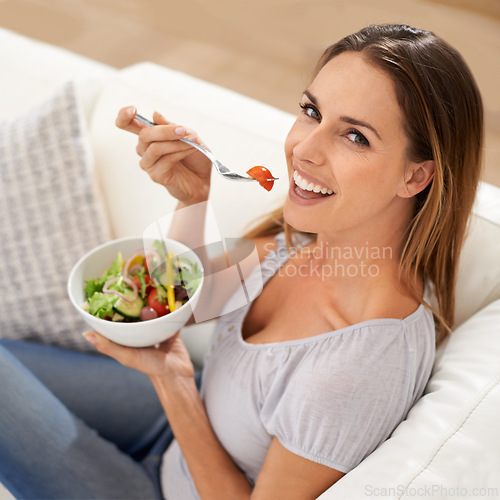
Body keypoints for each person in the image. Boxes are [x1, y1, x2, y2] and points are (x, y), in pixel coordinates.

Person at [0, 23, 483, 499]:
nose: (304, 150)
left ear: (416, 176)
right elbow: (184, 304)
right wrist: (193, 200)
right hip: (175, 428)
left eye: (355, 136)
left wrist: (176, 387)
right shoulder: (307, 241)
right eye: (312, 112)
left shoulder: (356, 368)